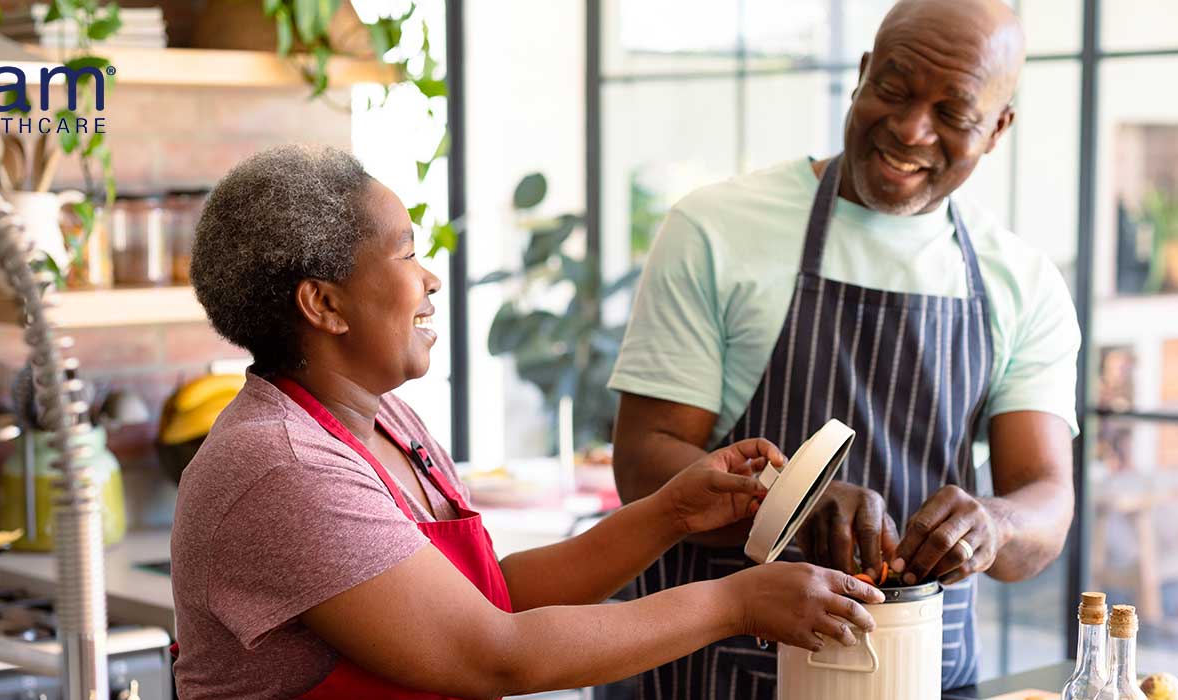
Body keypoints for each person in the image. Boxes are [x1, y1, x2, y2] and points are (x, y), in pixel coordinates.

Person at [170, 144, 882, 700]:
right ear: (323, 305)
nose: (431, 278)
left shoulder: (388, 421)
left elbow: (492, 597)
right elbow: (490, 653)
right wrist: (737, 604)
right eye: (407, 252)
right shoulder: (285, 468)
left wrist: (669, 513)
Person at [608, 0, 1080, 695]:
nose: (911, 129)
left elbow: (1046, 501)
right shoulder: (715, 229)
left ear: (999, 128)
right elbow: (644, 464)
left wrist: (997, 525)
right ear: (861, 75)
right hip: (719, 672)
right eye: (893, 88)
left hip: (925, 674)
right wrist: (792, 500)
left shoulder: (1023, 281)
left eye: (953, 113)